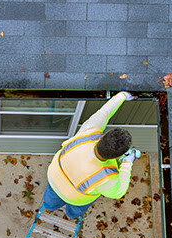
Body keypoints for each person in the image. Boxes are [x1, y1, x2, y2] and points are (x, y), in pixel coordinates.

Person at [42, 91, 140, 219]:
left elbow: (104, 113)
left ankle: (49, 207)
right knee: (77, 207)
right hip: (76, 198)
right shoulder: (107, 178)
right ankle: (72, 215)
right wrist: (127, 162)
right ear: (117, 157)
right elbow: (119, 191)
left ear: (102, 136)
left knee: (51, 197)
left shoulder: (89, 132)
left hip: (55, 177)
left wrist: (121, 96)